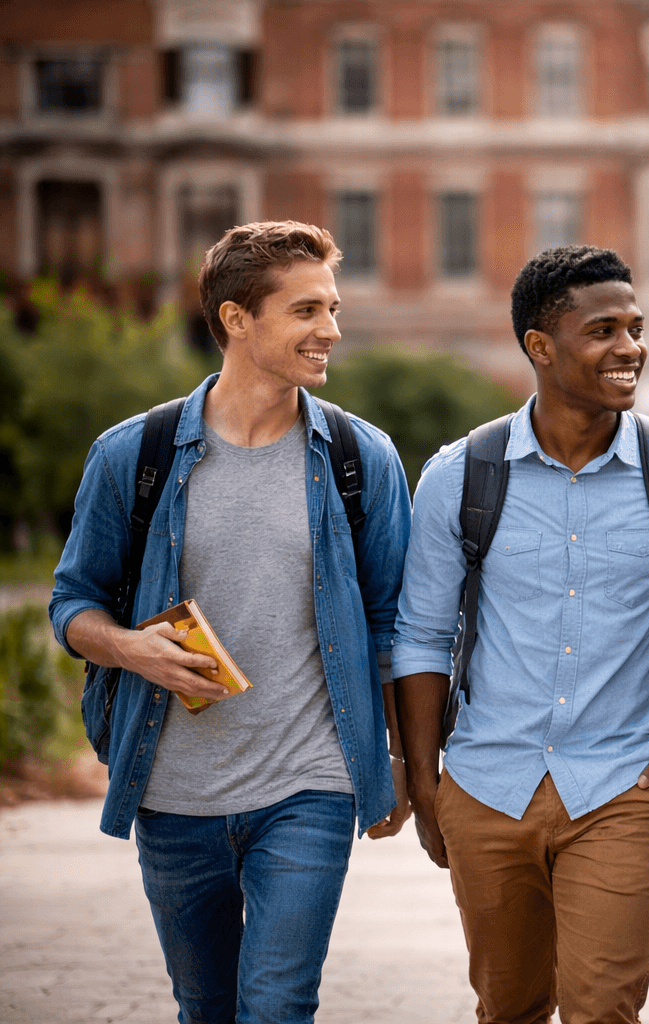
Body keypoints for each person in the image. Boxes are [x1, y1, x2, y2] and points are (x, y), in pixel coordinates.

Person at [49, 220, 414, 1024]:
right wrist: (128, 648)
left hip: (309, 785)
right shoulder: (133, 456)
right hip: (173, 790)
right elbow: (71, 604)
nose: (332, 331)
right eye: (307, 311)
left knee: (278, 1005)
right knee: (204, 1006)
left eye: (334, 307)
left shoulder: (360, 459)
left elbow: (394, 625)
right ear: (237, 319)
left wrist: (397, 759)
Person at [391, 245, 649, 1024]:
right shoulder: (460, 476)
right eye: (603, 330)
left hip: (624, 787)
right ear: (541, 347)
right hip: (486, 786)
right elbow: (421, 636)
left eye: (635, 329)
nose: (631, 348)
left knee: (603, 1011)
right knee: (509, 1009)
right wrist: (429, 785)